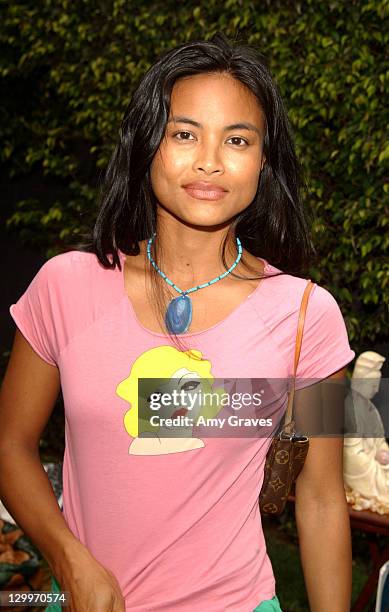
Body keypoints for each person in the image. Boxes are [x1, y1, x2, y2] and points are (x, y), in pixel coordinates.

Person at [0, 33, 356, 611]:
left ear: (264, 161)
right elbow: (9, 445)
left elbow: (320, 500)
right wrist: (70, 559)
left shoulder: (309, 317)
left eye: (237, 139)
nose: (209, 160)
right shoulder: (64, 286)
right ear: (147, 145)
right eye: (184, 134)